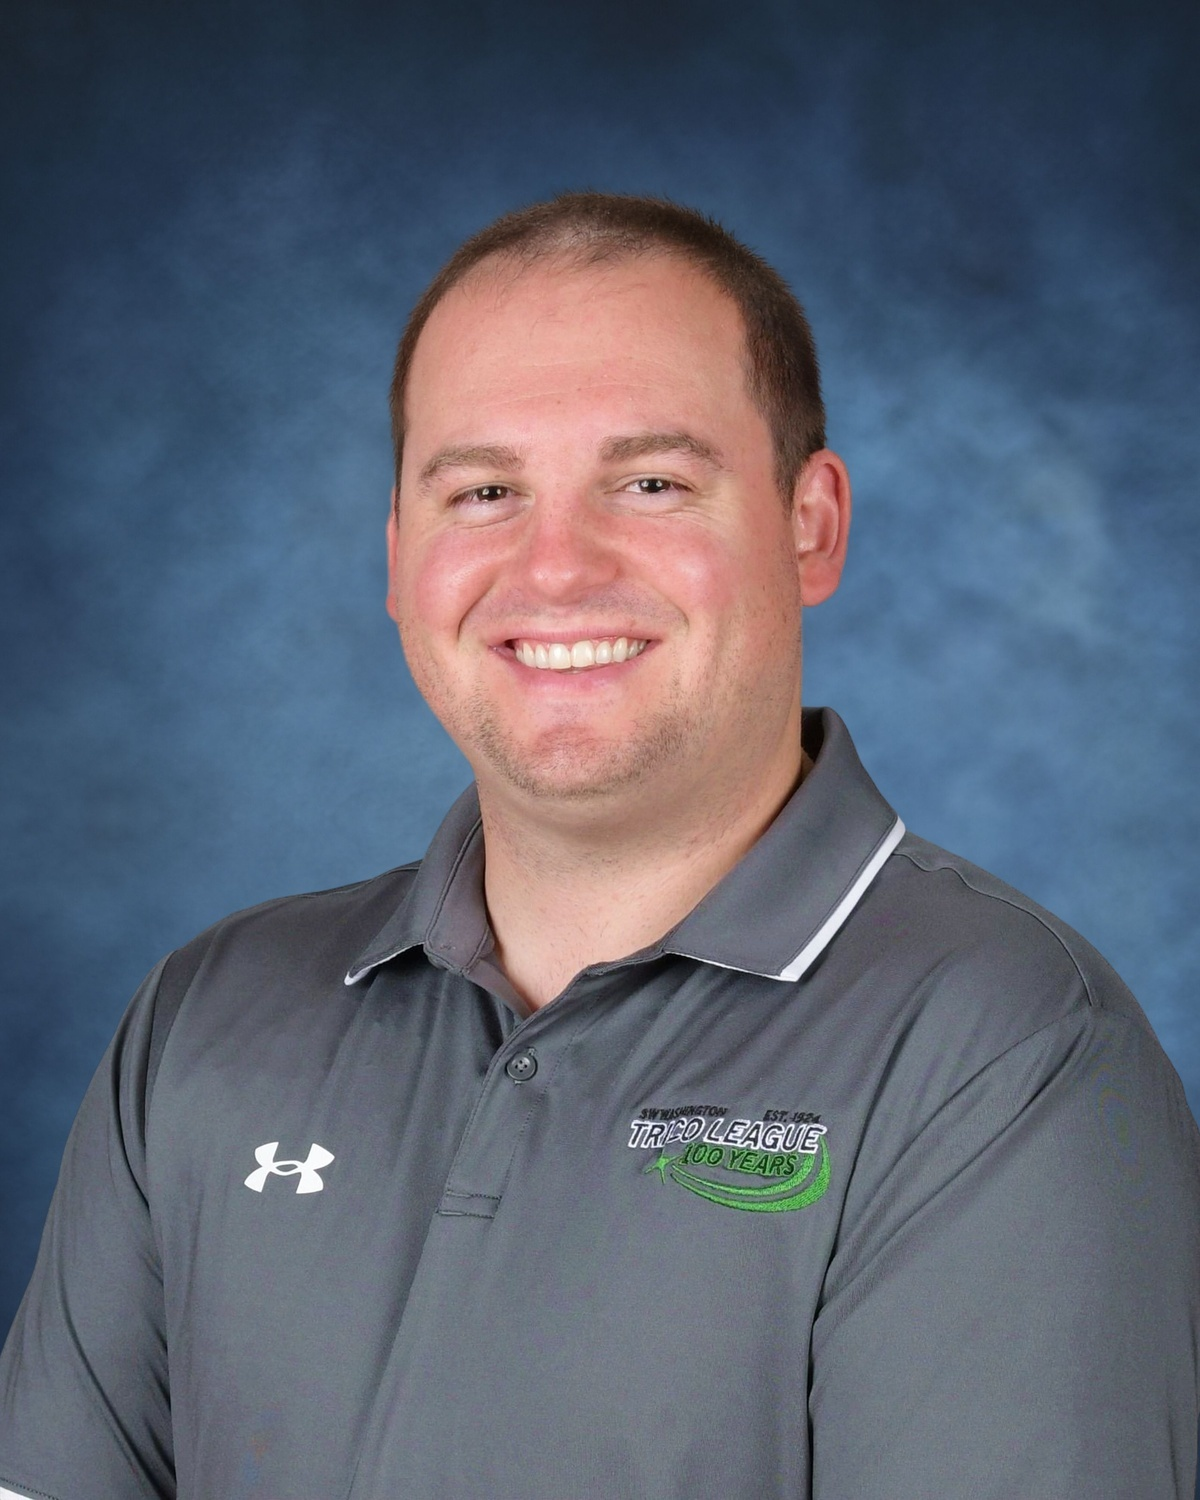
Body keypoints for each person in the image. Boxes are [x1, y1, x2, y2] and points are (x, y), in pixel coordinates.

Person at [0, 192, 1197, 1500]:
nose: (557, 568)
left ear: (810, 525)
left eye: (651, 483)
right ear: (398, 556)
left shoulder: (1011, 1055)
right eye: (484, 491)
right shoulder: (204, 1021)